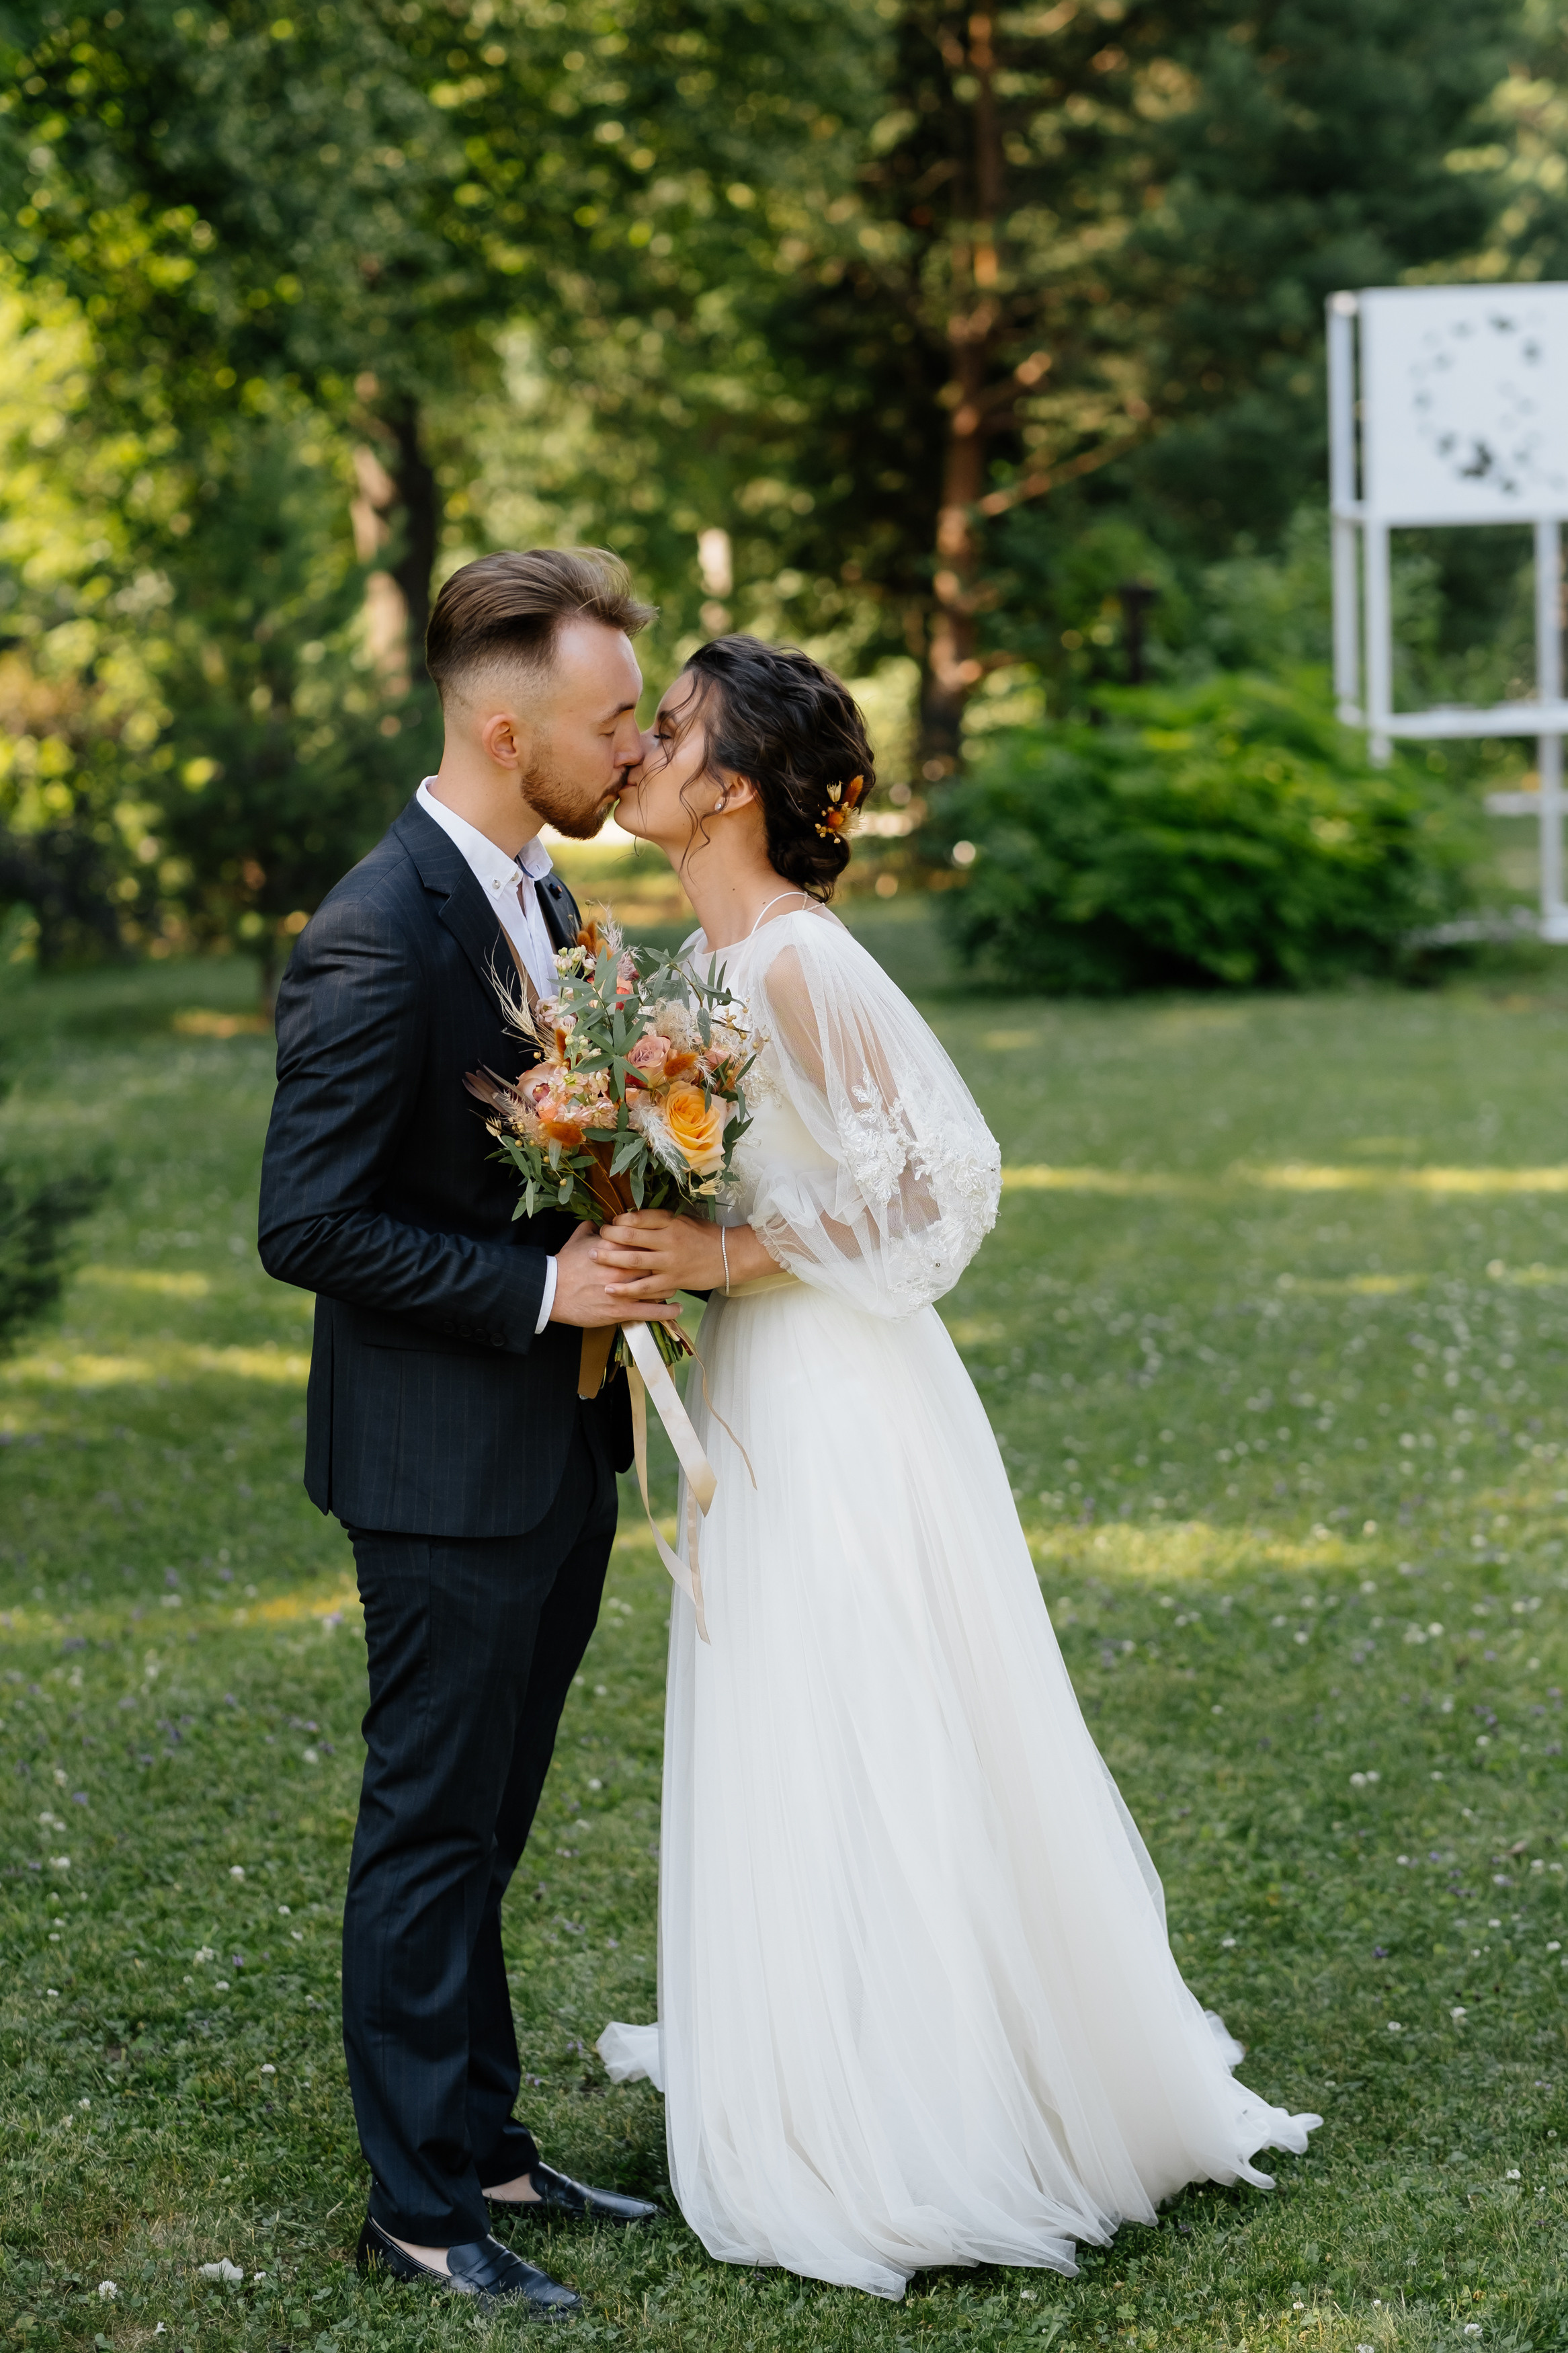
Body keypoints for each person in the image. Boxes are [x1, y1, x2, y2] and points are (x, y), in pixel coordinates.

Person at [589, 635, 1321, 2302]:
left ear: (727, 787)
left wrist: (723, 1260)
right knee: (792, 1709)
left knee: (871, 1709)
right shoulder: (696, 969)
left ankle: (923, 2096)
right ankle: (818, 2034)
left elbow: (944, 1188)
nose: (638, 749)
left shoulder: (790, 962)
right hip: (772, 1381)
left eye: (671, 728)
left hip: (845, 1393)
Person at [257, 549, 673, 2319]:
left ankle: (488, 2143)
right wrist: (538, 1297)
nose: (637, 749)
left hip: (556, 1455)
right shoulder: (373, 927)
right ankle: (421, 2208)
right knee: (429, 1827)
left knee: (487, 1822)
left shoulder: (548, 904)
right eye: (611, 721)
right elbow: (307, 1220)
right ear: (506, 728)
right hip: (441, 1466)